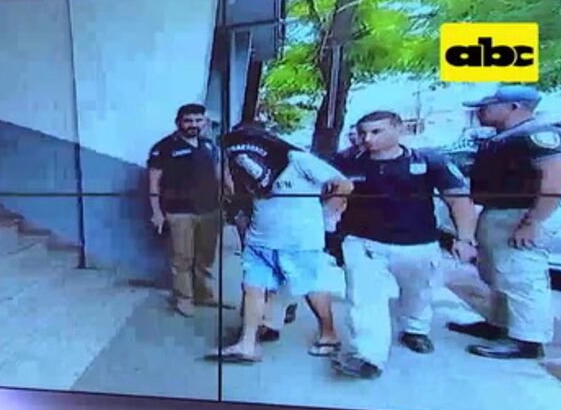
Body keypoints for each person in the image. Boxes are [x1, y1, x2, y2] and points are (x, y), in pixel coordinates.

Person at [330, 110, 478, 379]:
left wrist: (465, 238)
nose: (367, 139)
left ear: (399, 130)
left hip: (418, 243)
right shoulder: (346, 162)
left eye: (376, 131)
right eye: (363, 133)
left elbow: (458, 200)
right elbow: (329, 197)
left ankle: (415, 330)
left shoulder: (429, 161)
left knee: (418, 293)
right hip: (364, 243)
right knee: (364, 300)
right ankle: (367, 356)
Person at [447, 85, 561, 360]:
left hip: (522, 213)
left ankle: (528, 339)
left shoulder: (538, 135)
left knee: (522, 276)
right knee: (498, 273)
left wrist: (533, 221)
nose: (480, 112)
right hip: (500, 211)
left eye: (487, 106)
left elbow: (555, 179)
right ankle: (500, 324)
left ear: (514, 107)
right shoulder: (505, 136)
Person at [214, 124, 353, 363]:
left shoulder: (297, 159)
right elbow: (235, 193)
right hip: (260, 239)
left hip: (298, 240)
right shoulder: (241, 164)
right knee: (253, 287)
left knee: (311, 288)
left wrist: (324, 214)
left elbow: (344, 185)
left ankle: (329, 334)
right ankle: (247, 344)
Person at [148, 103, 224, 317]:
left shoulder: (209, 146)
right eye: (188, 120)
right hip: (179, 211)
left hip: (209, 211)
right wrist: (157, 212)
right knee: (182, 259)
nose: (194, 125)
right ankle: (184, 299)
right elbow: (153, 182)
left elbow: (219, 175)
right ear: (178, 123)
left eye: (199, 120)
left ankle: (203, 295)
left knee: (205, 257)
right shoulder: (164, 147)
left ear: (205, 122)